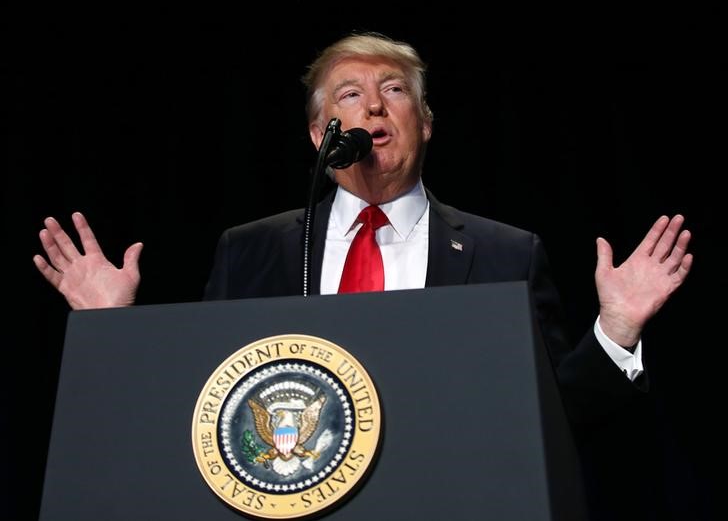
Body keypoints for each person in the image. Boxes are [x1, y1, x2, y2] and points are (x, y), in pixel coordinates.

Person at [33, 31, 693, 516]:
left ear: (425, 124)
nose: (374, 109)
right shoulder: (252, 249)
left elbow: (556, 417)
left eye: (395, 91)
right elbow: (209, 410)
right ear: (322, 135)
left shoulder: (505, 252)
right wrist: (110, 334)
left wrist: (615, 331)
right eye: (351, 95)